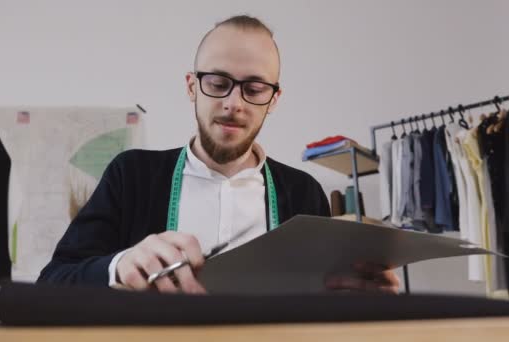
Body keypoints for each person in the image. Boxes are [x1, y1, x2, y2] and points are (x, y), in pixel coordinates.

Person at [38, 15, 399, 294]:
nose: (233, 104)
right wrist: (119, 266)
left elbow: (317, 304)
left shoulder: (304, 193)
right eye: (218, 83)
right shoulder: (131, 175)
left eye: (254, 88)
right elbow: (52, 282)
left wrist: (356, 296)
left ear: (273, 100)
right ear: (192, 86)